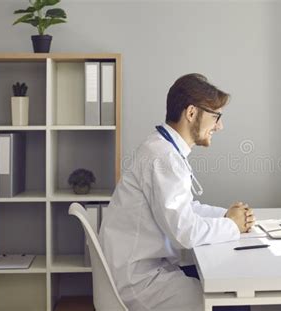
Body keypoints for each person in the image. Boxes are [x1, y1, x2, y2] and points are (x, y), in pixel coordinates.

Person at [99, 73, 255, 311]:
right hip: (142, 281)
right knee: (232, 302)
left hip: (144, 267)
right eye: (216, 116)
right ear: (191, 113)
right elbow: (185, 233)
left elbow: (186, 208)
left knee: (222, 281)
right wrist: (232, 225)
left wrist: (227, 216)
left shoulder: (162, 148)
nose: (220, 126)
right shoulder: (163, 157)